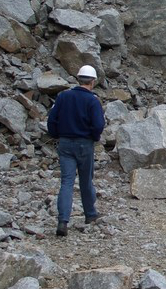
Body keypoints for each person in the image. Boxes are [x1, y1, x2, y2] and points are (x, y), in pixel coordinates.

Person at [47, 65, 105, 237]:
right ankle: (90, 215)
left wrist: (57, 135)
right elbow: (98, 125)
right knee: (86, 180)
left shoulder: (63, 96)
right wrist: (94, 137)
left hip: (65, 144)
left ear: (78, 79)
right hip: (84, 144)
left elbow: (52, 120)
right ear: (92, 82)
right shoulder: (92, 100)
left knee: (66, 182)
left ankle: (63, 221)